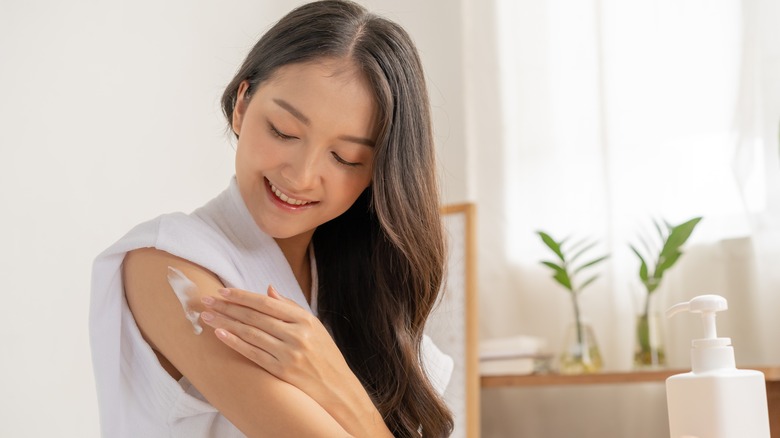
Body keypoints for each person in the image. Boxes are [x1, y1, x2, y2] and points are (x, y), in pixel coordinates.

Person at [89, 1, 455, 437]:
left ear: (379, 171)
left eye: (345, 157)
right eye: (284, 131)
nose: (300, 177)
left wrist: (336, 381)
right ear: (242, 104)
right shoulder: (167, 263)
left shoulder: (368, 293)